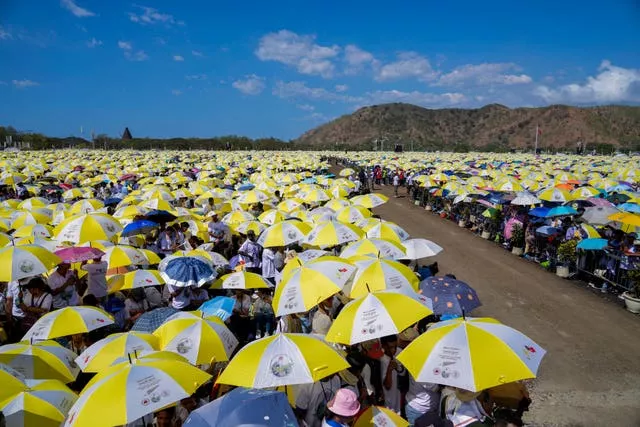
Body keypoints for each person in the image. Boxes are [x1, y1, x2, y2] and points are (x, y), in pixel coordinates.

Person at [380, 334, 405, 413]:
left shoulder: (396, 354)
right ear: (383, 346)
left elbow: (402, 374)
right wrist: (389, 370)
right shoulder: (382, 360)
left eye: (395, 346)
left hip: (397, 398)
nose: (394, 350)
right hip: (388, 403)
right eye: (391, 347)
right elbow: (387, 385)